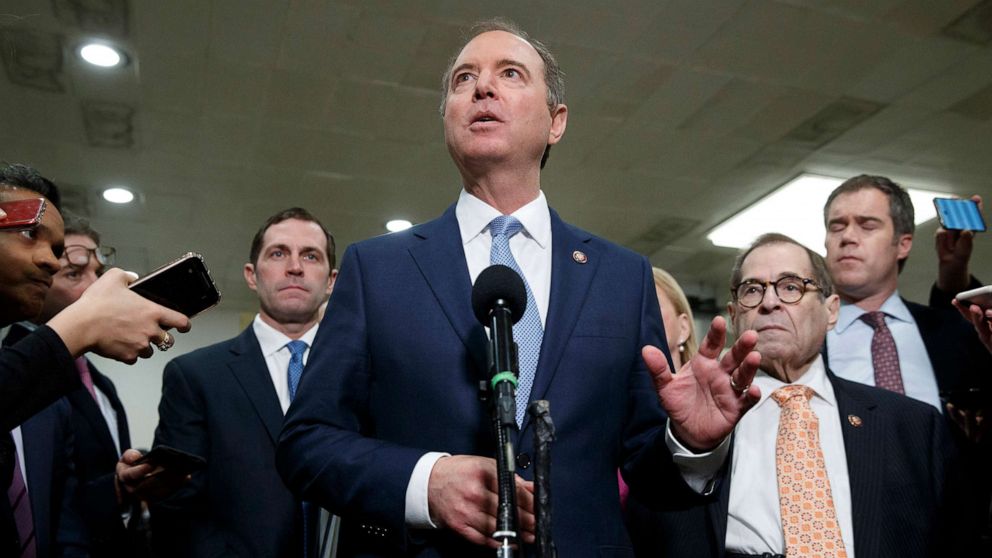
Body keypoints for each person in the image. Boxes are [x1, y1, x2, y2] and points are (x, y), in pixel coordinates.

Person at [277, 19, 761, 557]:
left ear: (556, 122)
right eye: (464, 79)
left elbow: (647, 471)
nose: (482, 88)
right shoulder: (377, 269)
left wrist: (692, 443)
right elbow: (306, 445)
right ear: (447, 119)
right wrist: (426, 482)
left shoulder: (620, 277)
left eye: (510, 74)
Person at [653, 233, 956, 558]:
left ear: (831, 310)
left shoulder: (912, 425)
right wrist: (695, 447)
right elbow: (652, 526)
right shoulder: (692, 421)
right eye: (753, 290)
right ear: (733, 314)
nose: (770, 302)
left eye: (791, 286)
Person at [0, 163, 192, 557]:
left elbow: (62, 511)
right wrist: (82, 326)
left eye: (56, 250)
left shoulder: (94, 383)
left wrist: (122, 487)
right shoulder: (32, 369)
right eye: (30, 233)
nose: (51, 263)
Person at [151, 207, 337, 557]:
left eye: (310, 256)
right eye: (278, 253)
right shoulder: (195, 376)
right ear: (252, 275)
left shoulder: (360, 374)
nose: (295, 267)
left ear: (332, 280)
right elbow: (176, 510)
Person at [822, 175, 992, 546]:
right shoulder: (804, 345)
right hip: (843, 533)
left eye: (867, 224)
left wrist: (954, 275)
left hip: (953, 534)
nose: (847, 236)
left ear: (903, 243)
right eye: (837, 226)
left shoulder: (950, 332)